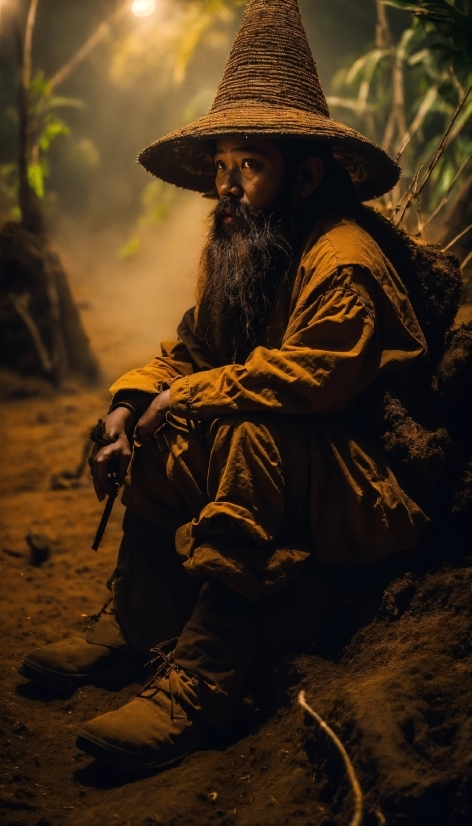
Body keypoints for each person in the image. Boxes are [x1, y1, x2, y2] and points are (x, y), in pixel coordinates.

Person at [19, 0, 429, 771]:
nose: (228, 186)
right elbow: (194, 351)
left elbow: (314, 380)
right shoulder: (247, 252)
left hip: (363, 490)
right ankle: (142, 622)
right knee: (166, 423)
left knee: (243, 424)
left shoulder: (341, 258)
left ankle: (206, 680)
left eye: (250, 165)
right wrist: (129, 404)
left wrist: (191, 396)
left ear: (305, 175)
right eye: (222, 166)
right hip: (293, 474)